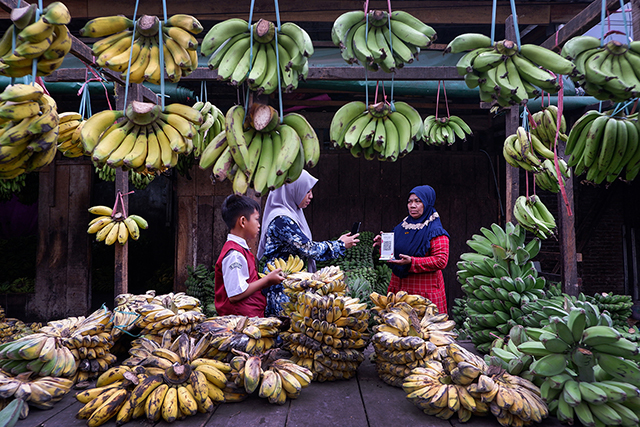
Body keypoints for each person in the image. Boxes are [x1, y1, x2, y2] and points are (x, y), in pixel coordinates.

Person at [257, 170, 359, 316]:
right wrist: (340, 245)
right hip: (281, 285)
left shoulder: (293, 213)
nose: (311, 196)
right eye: (307, 191)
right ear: (294, 190)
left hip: (291, 282)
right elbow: (309, 249)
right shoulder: (281, 219)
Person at [374, 185, 450, 314]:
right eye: (410, 201)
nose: (412, 205)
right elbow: (395, 254)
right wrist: (384, 247)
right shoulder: (401, 229)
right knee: (398, 327)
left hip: (424, 289)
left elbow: (441, 260)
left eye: (418, 201)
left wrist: (412, 261)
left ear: (427, 203)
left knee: (425, 328)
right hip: (399, 287)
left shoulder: (435, 231)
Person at [214, 194, 285, 317]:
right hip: (240, 324)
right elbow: (236, 294)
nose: (259, 225)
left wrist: (268, 281)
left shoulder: (241, 250)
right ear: (242, 221)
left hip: (250, 318)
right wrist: (267, 279)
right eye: (256, 219)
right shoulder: (234, 254)